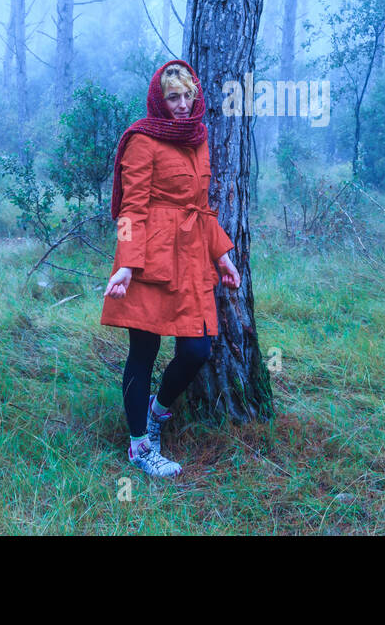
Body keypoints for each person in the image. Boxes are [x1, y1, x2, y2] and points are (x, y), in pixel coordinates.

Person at [101, 59, 240, 477]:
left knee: (197, 349)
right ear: (159, 101)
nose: (181, 105)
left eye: (187, 97)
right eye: (172, 98)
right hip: (149, 260)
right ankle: (139, 446)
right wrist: (126, 265)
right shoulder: (143, 139)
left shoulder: (198, 138)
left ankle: (156, 412)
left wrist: (223, 256)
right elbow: (131, 208)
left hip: (193, 258)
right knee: (143, 352)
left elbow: (201, 207)